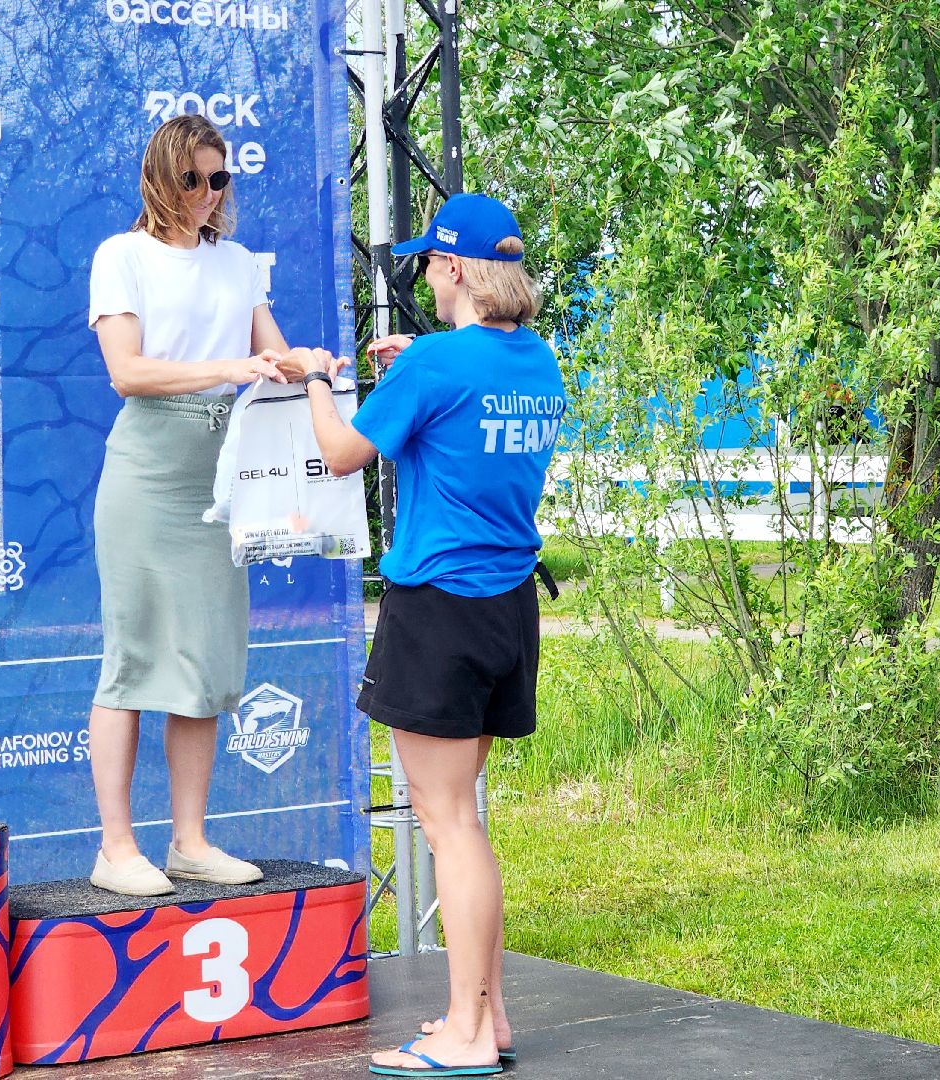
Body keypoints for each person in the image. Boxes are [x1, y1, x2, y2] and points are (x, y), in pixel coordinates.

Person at [289, 193, 566, 1077]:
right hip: (506, 611)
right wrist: (418, 367)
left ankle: (466, 1032)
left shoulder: (439, 365)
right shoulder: (538, 363)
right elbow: (462, 435)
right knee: (464, 820)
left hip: (438, 610)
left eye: (427, 264)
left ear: (453, 269)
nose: (422, 278)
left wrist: (317, 384)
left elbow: (339, 454)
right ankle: (494, 1016)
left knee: (449, 825)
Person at [84, 113, 328, 896]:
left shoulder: (237, 265)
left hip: (225, 467)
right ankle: (115, 847)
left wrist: (311, 367)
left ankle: (189, 840)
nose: (205, 194)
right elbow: (128, 372)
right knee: (132, 659)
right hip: (149, 467)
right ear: (161, 176)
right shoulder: (121, 255)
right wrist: (233, 365)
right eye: (192, 178)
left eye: (218, 179)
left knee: (205, 662)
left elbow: (274, 355)